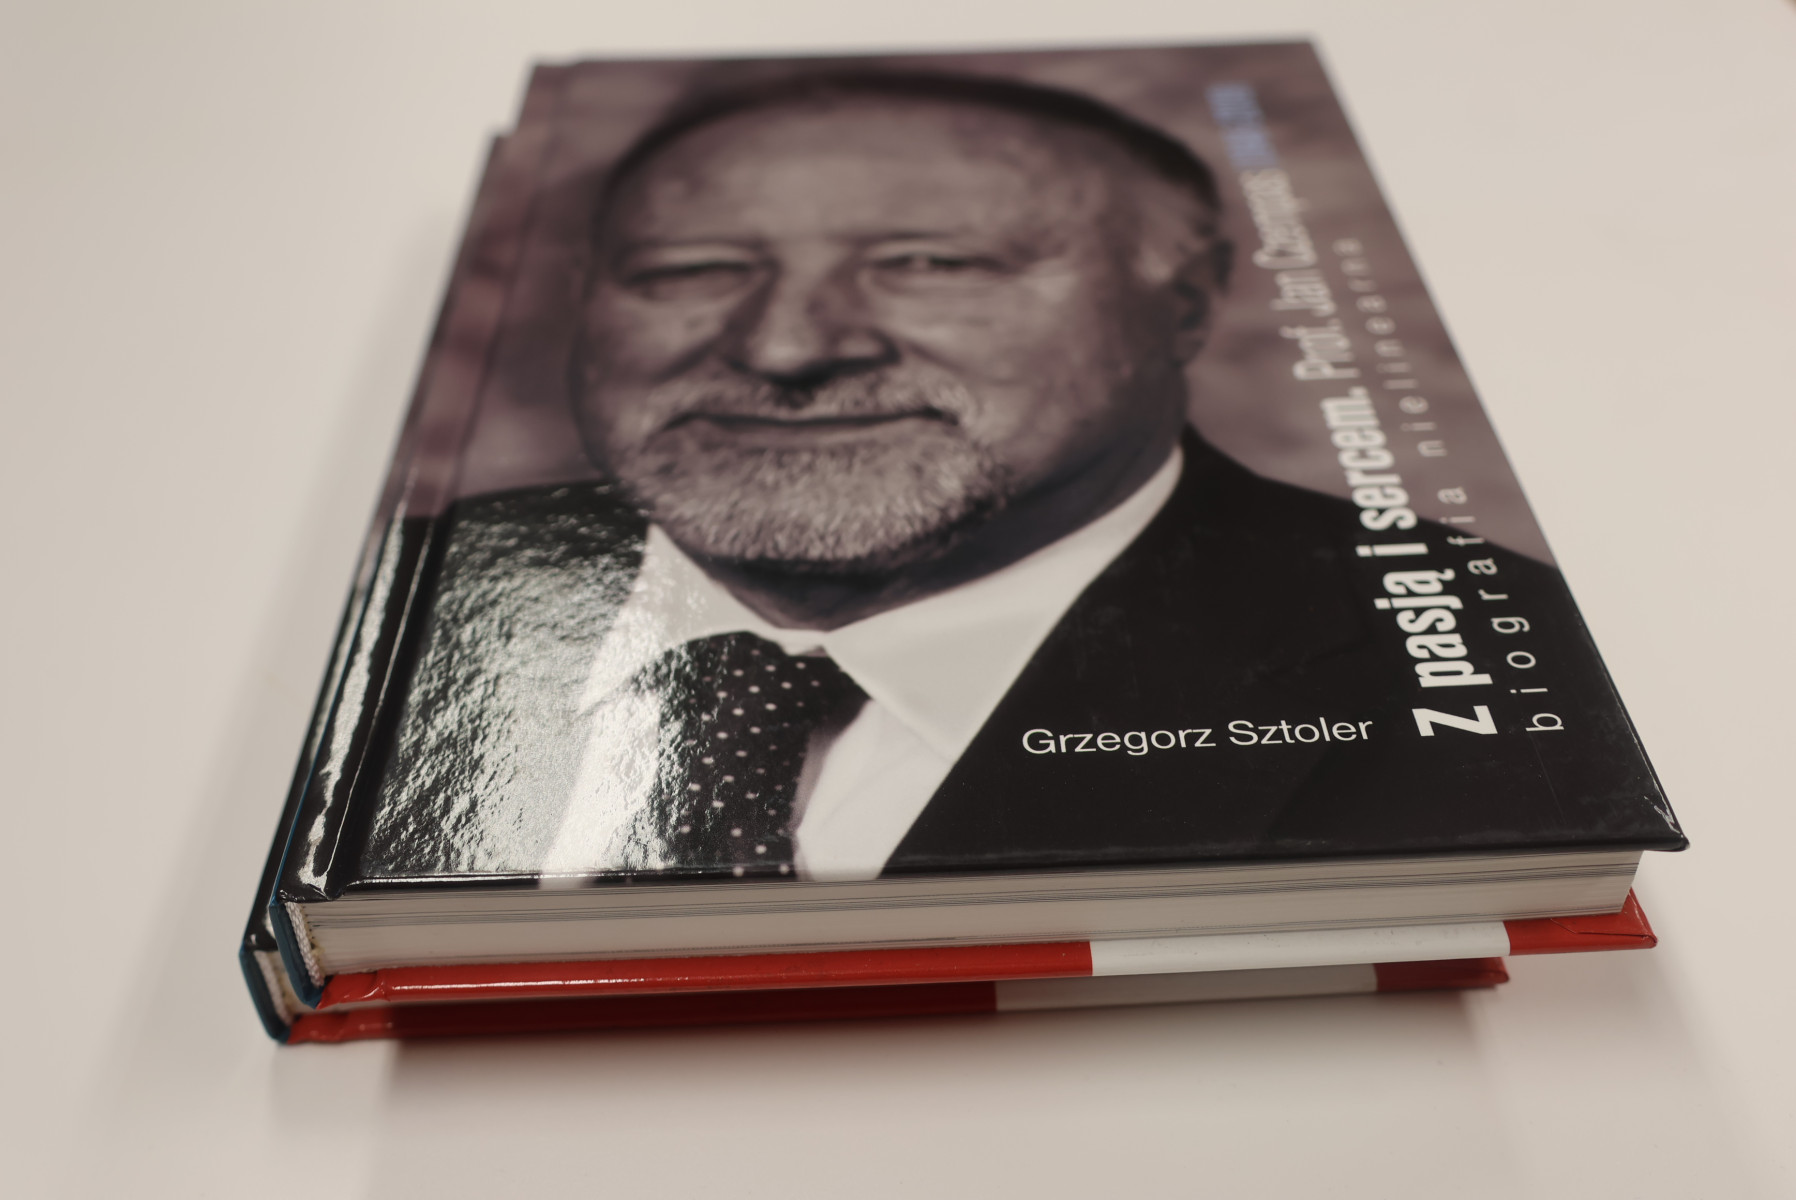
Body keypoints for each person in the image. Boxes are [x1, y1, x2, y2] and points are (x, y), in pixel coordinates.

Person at [359, 72, 1595, 885]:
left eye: (929, 263)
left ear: (1183, 303)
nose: (786, 347)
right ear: (585, 304)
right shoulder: (411, 603)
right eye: (689, 271)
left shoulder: (1478, 653)